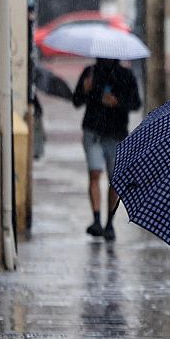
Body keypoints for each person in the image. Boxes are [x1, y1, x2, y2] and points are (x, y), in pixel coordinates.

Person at [72, 57, 141, 241]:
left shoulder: (125, 75)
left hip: (116, 134)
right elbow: (76, 100)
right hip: (93, 131)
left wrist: (117, 102)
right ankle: (96, 219)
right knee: (94, 173)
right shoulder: (91, 72)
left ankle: (109, 222)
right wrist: (85, 90)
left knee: (114, 180)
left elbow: (136, 103)